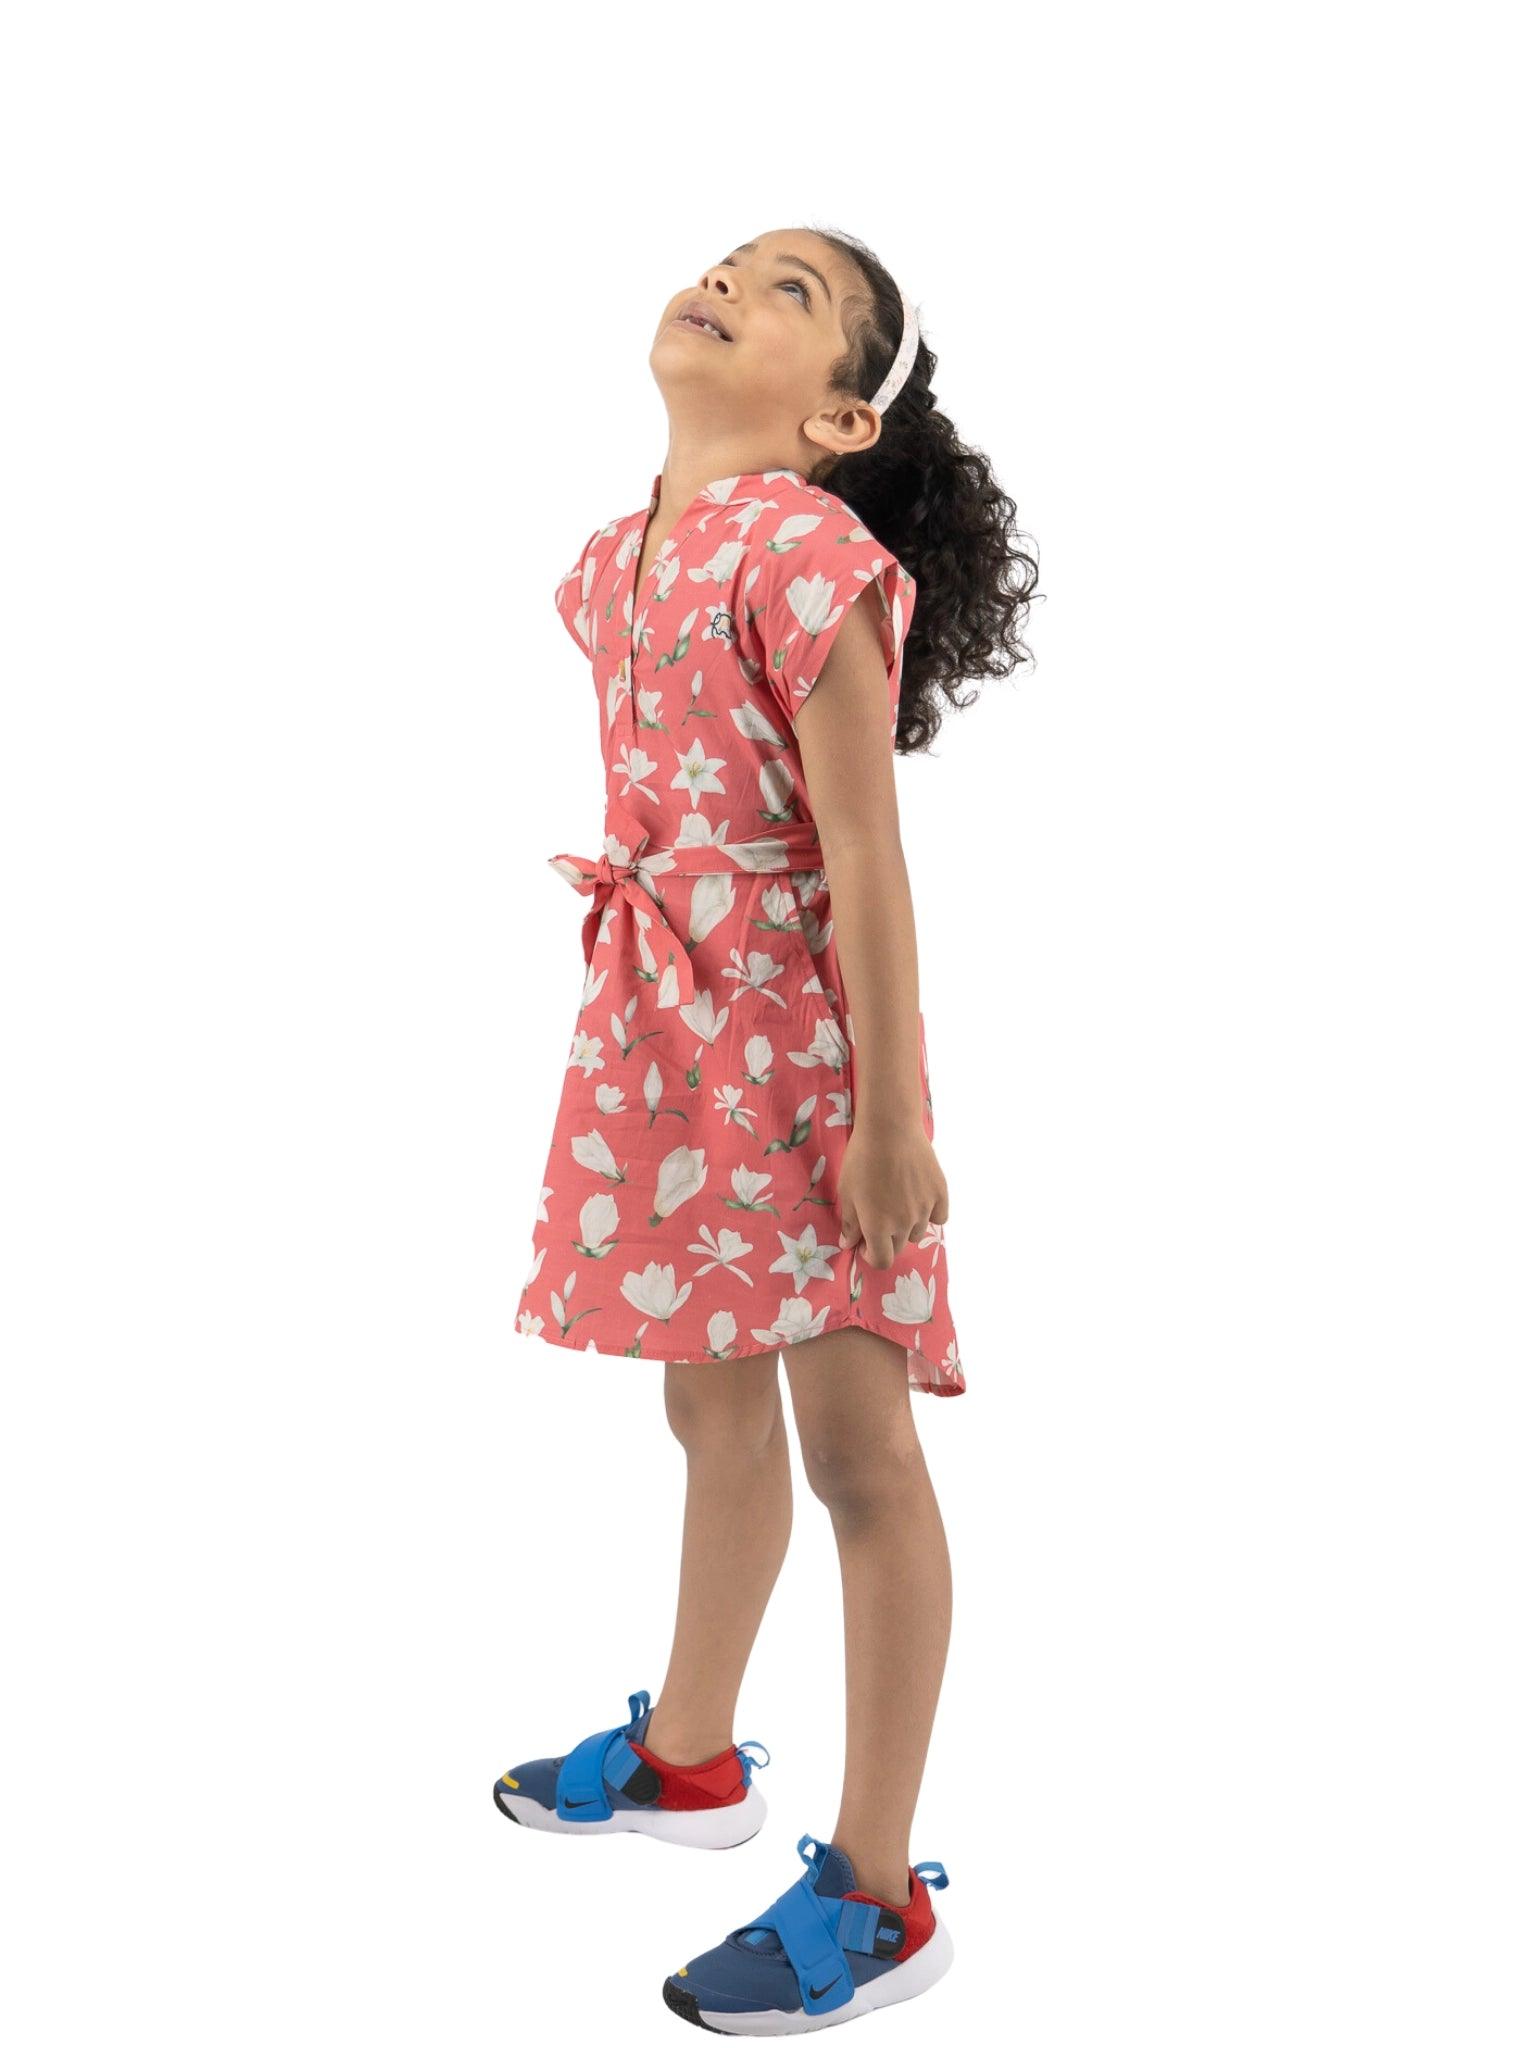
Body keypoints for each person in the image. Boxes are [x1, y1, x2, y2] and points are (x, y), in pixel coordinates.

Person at [502, 226, 1037, 2033]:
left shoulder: (812, 554)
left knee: (857, 1451)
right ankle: (689, 1754)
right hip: (664, 1024)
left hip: (797, 1052)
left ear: (832, 418)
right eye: (732, 259)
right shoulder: (613, 564)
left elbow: (867, 855)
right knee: (701, 1398)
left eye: (790, 290)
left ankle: (881, 1894)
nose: (729, 279)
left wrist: (891, 1115)